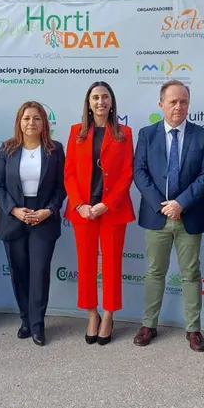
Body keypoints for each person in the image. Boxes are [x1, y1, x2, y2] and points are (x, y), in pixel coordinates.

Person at [131, 80, 204, 352]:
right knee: (155, 271)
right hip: (157, 216)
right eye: (173, 102)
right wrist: (162, 205)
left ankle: (193, 329)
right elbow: (139, 172)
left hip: (188, 215)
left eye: (183, 102)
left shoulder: (202, 136)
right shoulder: (147, 134)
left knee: (191, 274)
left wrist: (181, 203)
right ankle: (148, 324)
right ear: (161, 105)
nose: (179, 106)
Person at [64, 81, 135, 346]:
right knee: (85, 264)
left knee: (112, 264)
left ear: (112, 102)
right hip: (83, 211)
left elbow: (128, 173)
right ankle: (91, 313)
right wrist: (79, 204)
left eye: (105, 97)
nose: (100, 102)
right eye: (95, 97)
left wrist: (108, 203)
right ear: (89, 103)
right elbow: (69, 173)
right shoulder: (76, 132)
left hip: (112, 210)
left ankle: (108, 314)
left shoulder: (124, 133)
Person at [0, 101, 66, 346]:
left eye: (36, 118)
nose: (31, 123)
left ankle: (37, 324)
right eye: (26, 118)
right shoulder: (7, 149)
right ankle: (25, 318)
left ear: (44, 122)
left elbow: (61, 188)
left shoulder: (55, 149)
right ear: (19, 122)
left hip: (43, 218)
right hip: (14, 217)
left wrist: (48, 210)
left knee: (39, 272)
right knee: (20, 272)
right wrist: (14, 210)